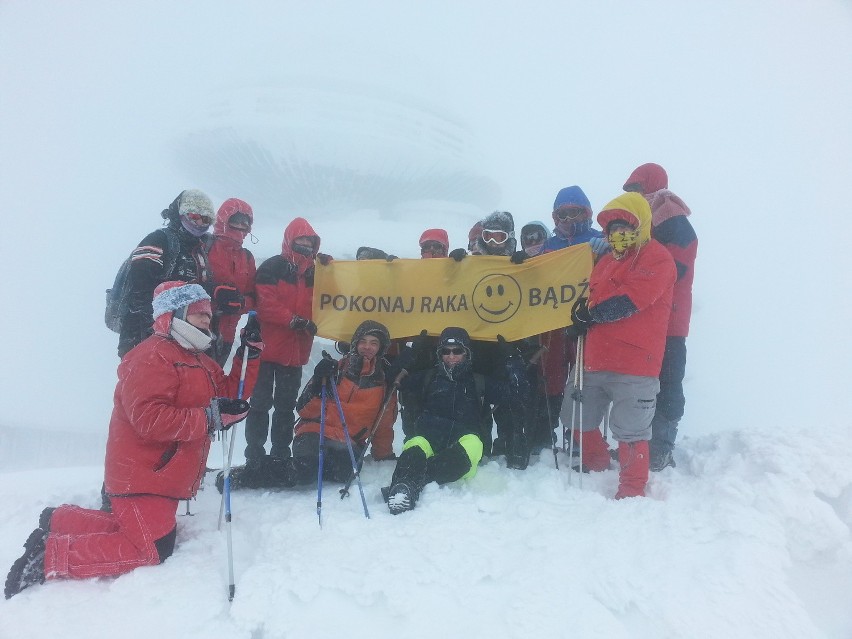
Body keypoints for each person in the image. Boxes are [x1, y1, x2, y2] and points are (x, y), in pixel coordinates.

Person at [5, 282, 262, 599]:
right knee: (153, 548)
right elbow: (149, 419)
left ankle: (59, 519)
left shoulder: (200, 361)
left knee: (136, 530)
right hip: (141, 474)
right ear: (175, 313)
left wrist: (247, 356)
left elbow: (228, 397)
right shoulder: (151, 356)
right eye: (198, 314)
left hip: (162, 477)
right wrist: (208, 417)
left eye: (208, 314)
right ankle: (49, 556)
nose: (207, 319)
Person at [563, 192, 676, 499]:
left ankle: (631, 489)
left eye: (625, 227)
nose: (617, 234)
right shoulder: (604, 263)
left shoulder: (657, 257)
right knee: (575, 416)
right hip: (595, 358)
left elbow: (630, 300)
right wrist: (579, 317)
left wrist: (591, 314)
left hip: (636, 363)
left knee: (631, 432)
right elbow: (591, 301)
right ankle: (598, 464)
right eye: (612, 229)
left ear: (641, 226)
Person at [385, 327, 528, 514]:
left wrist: (512, 360)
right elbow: (391, 379)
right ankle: (403, 490)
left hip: (463, 442)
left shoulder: (479, 382)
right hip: (430, 439)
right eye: (445, 351)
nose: (451, 356)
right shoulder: (429, 377)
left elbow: (518, 393)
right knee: (415, 443)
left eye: (457, 351)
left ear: (466, 353)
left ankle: (408, 482)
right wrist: (411, 350)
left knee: (474, 444)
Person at [242, 218, 330, 483]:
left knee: (285, 407)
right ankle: (255, 458)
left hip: (294, 353)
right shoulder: (273, 267)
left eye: (309, 241)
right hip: (267, 351)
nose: (305, 245)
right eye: (301, 240)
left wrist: (332, 267)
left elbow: (337, 296)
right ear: (289, 240)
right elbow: (264, 304)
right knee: (258, 406)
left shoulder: (319, 273)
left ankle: (280, 456)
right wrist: (294, 320)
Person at [623, 163, 698, 471]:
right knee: (642, 382)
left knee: (667, 381)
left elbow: (673, 271)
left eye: (638, 189)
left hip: (669, 322)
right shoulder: (646, 223)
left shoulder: (674, 223)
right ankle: (642, 445)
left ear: (653, 186)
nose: (635, 196)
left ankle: (661, 447)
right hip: (647, 321)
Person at [117, 189, 215, 358]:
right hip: (146, 336)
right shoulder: (159, 240)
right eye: (193, 216)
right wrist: (155, 332)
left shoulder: (199, 250)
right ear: (180, 213)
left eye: (205, 219)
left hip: (183, 338)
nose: (199, 223)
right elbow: (139, 289)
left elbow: (200, 292)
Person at [207, 198, 257, 366]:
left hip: (227, 336)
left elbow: (254, 297)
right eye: (236, 220)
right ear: (224, 219)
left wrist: (241, 303)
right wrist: (215, 295)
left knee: (212, 384)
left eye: (246, 221)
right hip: (197, 331)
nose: (241, 225)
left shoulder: (247, 257)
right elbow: (186, 284)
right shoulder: (204, 246)